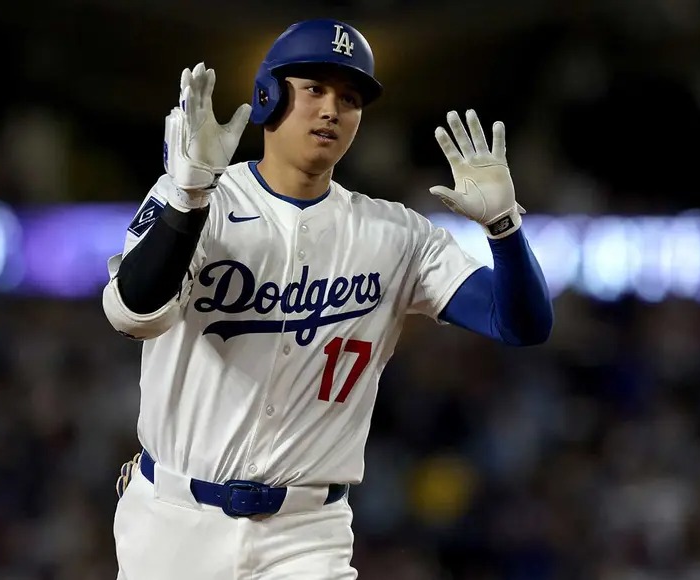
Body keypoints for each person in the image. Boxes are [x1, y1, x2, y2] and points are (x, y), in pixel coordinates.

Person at [102, 17, 553, 580]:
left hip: (305, 534)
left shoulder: (395, 234)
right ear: (267, 97)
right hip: (174, 520)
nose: (331, 110)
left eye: (349, 99)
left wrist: (505, 229)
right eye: (314, 89)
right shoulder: (197, 201)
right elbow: (134, 314)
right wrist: (189, 198)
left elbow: (520, 324)